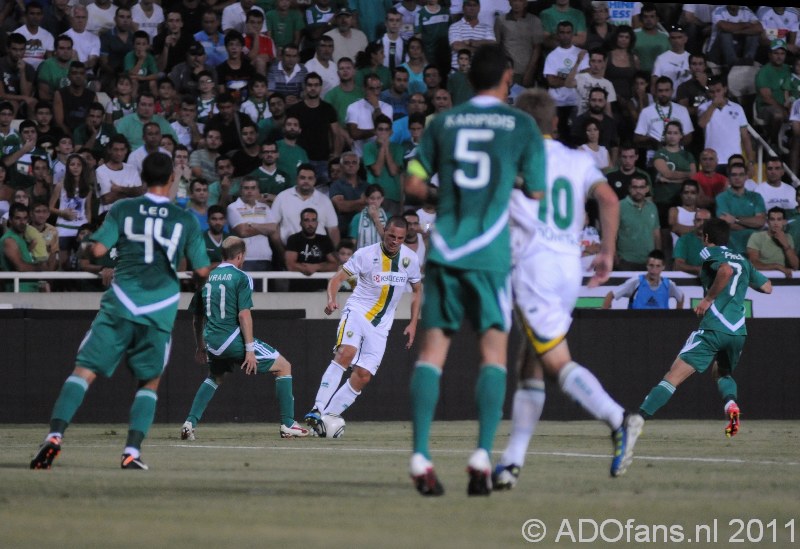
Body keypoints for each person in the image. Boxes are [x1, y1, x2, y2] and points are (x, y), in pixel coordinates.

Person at [403, 44, 546, 496]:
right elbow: (537, 193)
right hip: (489, 255)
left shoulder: (442, 122)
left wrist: (445, 201)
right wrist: (507, 182)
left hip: (444, 249)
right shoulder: (521, 124)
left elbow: (411, 183)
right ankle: (482, 456)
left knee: (432, 356)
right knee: (493, 356)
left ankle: (421, 454)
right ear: (508, 76)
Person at [492, 88, 642, 490]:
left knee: (555, 360)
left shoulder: (511, 157)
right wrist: (607, 252)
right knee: (530, 360)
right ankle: (511, 462)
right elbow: (609, 199)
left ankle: (618, 418)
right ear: (555, 123)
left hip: (532, 266)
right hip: (567, 268)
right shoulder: (579, 159)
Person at [30, 152, 211, 470]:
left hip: (121, 301)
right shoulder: (184, 220)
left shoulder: (124, 208)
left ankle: (55, 436)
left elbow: (97, 250)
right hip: (159, 309)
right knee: (149, 382)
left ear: (142, 177)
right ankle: (131, 452)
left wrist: (92, 246)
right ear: (172, 179)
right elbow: (202, 271)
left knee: (84, 372)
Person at [638, 217, 772, 437]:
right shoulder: (743, 260)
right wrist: (744, 280)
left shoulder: (709, 253)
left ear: (707, 237)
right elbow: (768, 287)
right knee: (722, 373)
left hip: (714, 327)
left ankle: (637, 419)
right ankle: (731, 406)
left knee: (673, 376)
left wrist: (708, 299)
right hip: (737, 331)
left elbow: (726, 271)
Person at [181, 235, 309, 441]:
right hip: (231, 339)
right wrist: (249, 350)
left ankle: (189, 423)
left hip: (212, 341)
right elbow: (243, 314)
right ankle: (288, 424)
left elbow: (197, 317)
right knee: (284, 366)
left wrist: (200, 346)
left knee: (215, 377)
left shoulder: (207, 278)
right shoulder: (241, 277)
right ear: (240, 256)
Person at [303, 216, 422, 430]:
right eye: (391, 236)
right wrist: (331, 299)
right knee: (345, 354)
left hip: (381, 325)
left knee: (363, 376)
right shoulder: (365, 255)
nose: (395, 241)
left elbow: (417, 290)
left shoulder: (410, 259)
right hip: (357, 312)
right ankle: (317, 408)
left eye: (400, 238)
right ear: (384, 231)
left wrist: (413, 323)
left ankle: (327, 419)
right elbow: (337, 279)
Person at [697, 76, 754, 178]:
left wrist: (750, 162)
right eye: (712, 92)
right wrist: (713, 106)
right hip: (712, 160)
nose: (715, 94)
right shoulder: (703, 107)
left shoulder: (737, 108)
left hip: (734, 159)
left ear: (725, 89)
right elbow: (702, 123)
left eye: (718, 91)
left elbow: (745, 136)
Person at [603, 249, 685, 309]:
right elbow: (611, 295)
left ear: (663, 267)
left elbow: (681, 297)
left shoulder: (668, 285)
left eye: (658, 266)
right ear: (647, 265)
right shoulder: (636, 282)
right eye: (651, 265)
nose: (654, 270)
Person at [716, 163, 767, 254]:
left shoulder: (756, 197)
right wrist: (753, 225)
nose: (737, 178)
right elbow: (726, 224)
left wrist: (735, 219)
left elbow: (761, 222)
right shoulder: (721, 198)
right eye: (734, 175)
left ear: (746, 177)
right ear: (728, 178)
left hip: (756, 248)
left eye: (741, 174)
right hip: (732, 248)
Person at [284, 207, 338, 290]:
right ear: (301, 223)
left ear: (317, 223)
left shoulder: (325, 240)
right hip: (296, 289)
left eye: (313, 220)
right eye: (306, 220)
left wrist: (316, 267)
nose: (310, 224)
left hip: (320, 289)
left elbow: (334, 265)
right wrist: (307, 269)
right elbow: (290, 265)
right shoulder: (293, 239)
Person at [617, 174, 661, 270]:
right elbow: (611, 234)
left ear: (647, 189)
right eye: (635, 187)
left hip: (649, 263)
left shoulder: (652, 207)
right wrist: (615, 257)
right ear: (629, 189)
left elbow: (656, 234)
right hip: (626, 262)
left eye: (641, 187)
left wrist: (658, 258)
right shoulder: (619, 206)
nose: (638, 191)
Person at [746, 207, 798, 278]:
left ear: (784, 222)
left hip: (784, 278)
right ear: (767, 222)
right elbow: (753, 263)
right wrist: (776, 266)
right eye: (772, 219)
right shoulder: (757, 236)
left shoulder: (788, 237)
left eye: (779, 219)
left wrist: (785, 244)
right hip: (762, 278)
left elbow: (795, 265)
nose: (775, 223)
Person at [674, 208, 712, 276]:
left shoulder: (717, 239)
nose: (702, 223)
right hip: (689, 280)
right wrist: (698, 269)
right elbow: (678, 265)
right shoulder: (684, 240)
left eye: (706, 221)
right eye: (698, 220)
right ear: (694, 222)